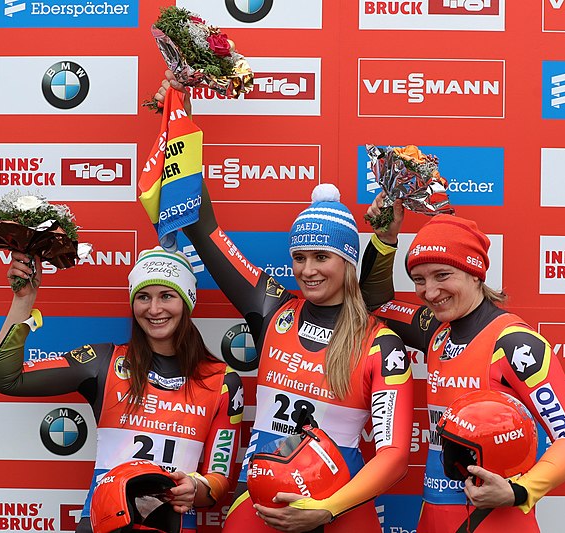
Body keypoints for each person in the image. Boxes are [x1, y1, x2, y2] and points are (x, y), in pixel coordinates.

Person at [152, 71, 415, 533]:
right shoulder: (274, 309)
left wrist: (327, 509)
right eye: (298, 257)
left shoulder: (381, 343)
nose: (308, 269)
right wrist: (183, 127)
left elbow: (394, 456)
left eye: (322, 257)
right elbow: (202, 226)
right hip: (261, 502)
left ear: (349, 261)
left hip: (340, 506)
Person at [360, 194, 565, 532]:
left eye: (442, 275)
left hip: (494, 521)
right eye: (419, 279)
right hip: (432, 515)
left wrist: (519, 490)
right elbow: (374, 302)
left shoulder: (513, 342)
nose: (429, 291)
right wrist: (385, 239)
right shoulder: (434, 329)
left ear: (475, 274)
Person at [0, 246, 244, 533]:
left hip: (173, 524)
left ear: (186, 301)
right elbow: (4, 378)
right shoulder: (104, 362)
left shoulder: (222, 380)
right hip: (103, 523)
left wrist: (196, 487)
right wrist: (23, 301)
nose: (154, 309)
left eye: (167, 296)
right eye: (143, 297)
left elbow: (219, 479)